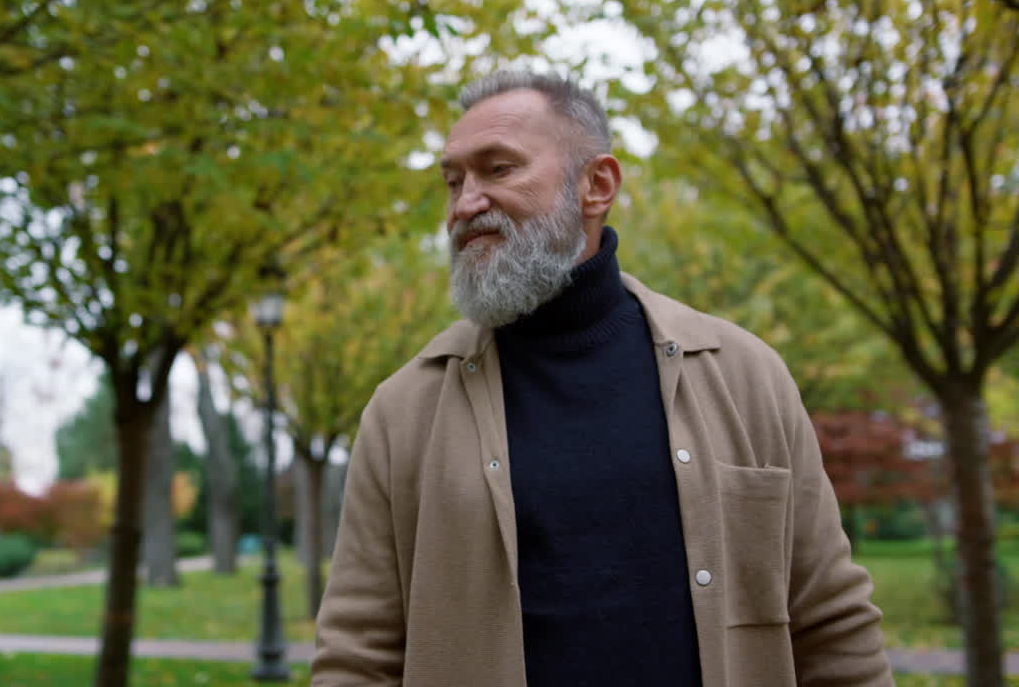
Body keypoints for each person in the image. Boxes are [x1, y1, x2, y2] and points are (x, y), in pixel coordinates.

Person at [311, 71, 893, 686]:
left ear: (597, 185)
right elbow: (358, 657)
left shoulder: (745, 376)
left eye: (498, 169)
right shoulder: (404, 411)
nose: (464, 204)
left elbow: (832, 625)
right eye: (454, 181)